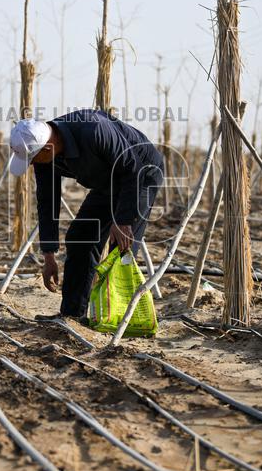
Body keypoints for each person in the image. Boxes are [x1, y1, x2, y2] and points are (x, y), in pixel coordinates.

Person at [9, 109, 164, 320]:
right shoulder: (43, 155)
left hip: (140, 174)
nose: (32, 165)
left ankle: (116, 319)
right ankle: (72, 315)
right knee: (80, 237)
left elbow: (132, 169)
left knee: (120, 249)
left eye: (33, 160)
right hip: (106, 182)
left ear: (47, 148)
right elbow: (47, 201)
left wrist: (123, 220)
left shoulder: (94, 131)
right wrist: (48, 254)